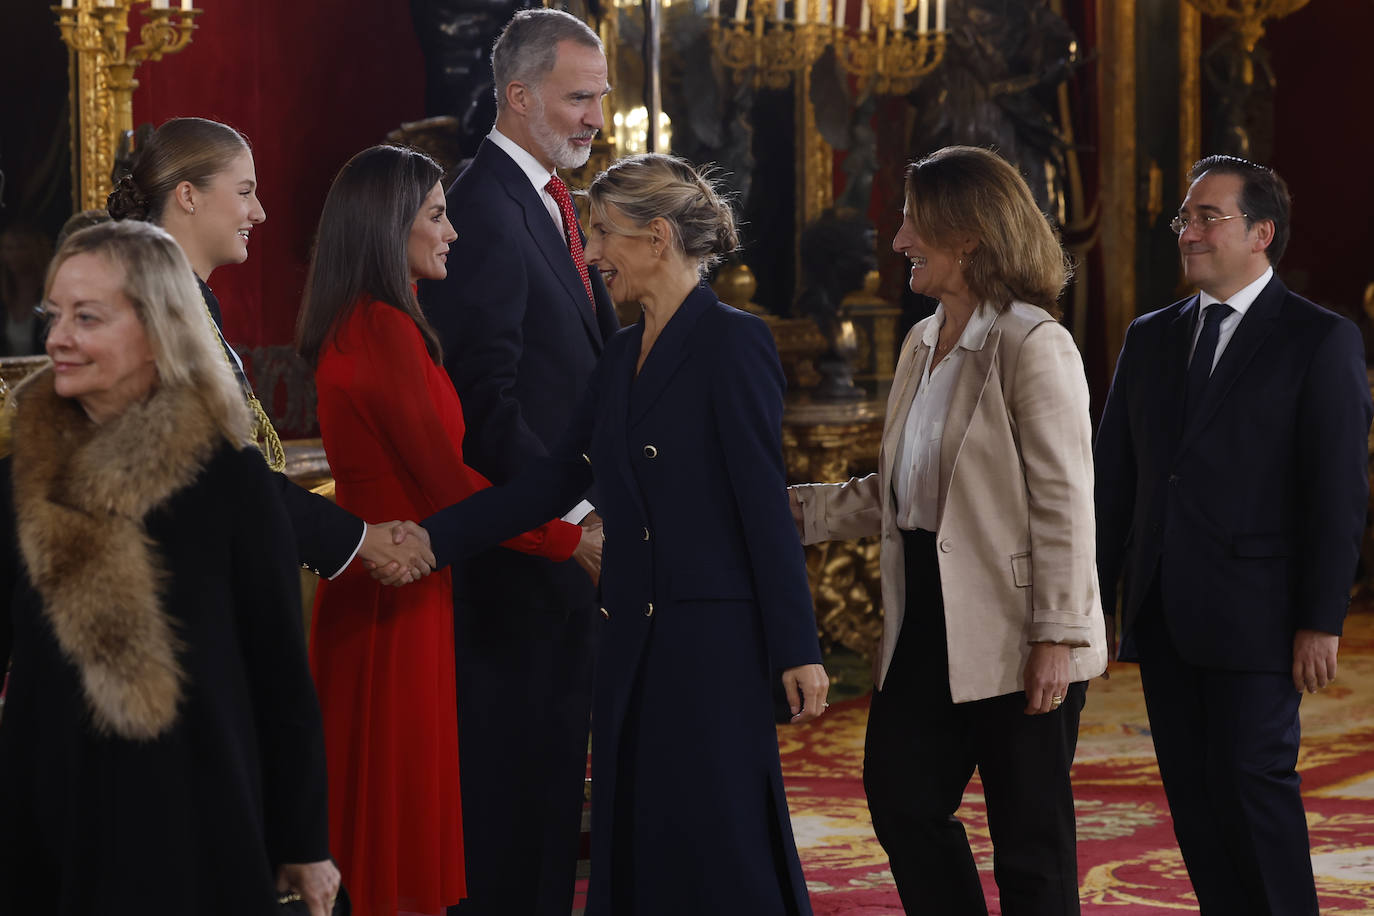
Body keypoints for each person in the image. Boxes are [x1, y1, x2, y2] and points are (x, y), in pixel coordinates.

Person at [416, 152, 829, 915]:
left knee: (717, 844)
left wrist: (797, 646)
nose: (592, 252)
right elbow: (548, 483)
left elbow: (761, 505)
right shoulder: (616, 355)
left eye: (602, 232)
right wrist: (431, 540)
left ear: (658, 238)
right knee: (638, 839)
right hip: (630, 645)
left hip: (712, 648)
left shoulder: (734, 343)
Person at [790, 145, 1107, 915]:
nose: (898, 240)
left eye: (912, 223)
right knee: (901, 799)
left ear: (967, 234)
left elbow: (1067, 504)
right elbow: (901, 493)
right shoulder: (920, 342)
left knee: (1030, 846)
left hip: (1019, 623)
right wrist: (790, 510)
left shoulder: (1035, 343)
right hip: (927, 618)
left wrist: (1056, 639)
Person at [0, 220, 339, 915]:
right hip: (45, 821)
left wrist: (304, 841)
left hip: (195, 820)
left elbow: (281, 677)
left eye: (86, 317)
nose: (57, 337)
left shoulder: (232, 482)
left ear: (157, 328)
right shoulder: (18, 479)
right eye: (53, 314)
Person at [295, 144, 599, 916]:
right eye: (435, 215)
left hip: (393, 591)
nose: (452, 232)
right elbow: (450, 486)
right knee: (395, 821)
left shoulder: (368, 321)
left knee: (390, 811)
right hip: (394, 599)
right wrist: (570, 539)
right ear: (387, 226)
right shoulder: (384, 330)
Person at [1094, 155, 1373, 915]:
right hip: (1162, 613)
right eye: (1184, 218)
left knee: (1255, 794)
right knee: (1196, 806)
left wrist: (1321, 619)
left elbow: (1338, 494)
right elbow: (1112, 484)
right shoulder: (1150, 339)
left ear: (1261, 233)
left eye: (1206, 217)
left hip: (1261, 618)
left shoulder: (1320, 340)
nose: (1187, 231)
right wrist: (1090, 605)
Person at [415, 11, 619, 914]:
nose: (596, 120)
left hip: (559, 561)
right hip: (519, 569)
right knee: (512, 811)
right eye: (579, 99)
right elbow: (485, 406)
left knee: (547, 806)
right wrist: (567, 527)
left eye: (602, 99)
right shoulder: (483, 208)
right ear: (521, 96)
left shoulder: (549, 198)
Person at [105, 116, 432, 587]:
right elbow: (218, 469)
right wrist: (361, 539)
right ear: (188, 195)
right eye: (244, 192)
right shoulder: (160, 306)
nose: (258, 212)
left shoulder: (180, 297)